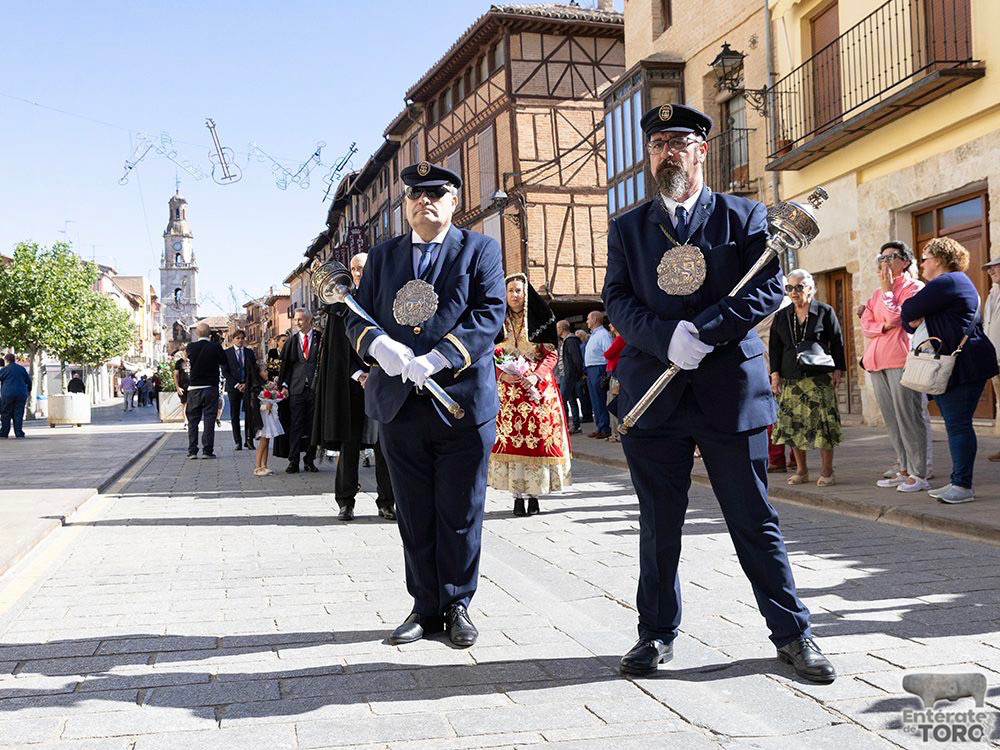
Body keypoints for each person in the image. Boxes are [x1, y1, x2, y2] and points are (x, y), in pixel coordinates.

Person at [603, 103, 835, 683]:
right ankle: (655, 634)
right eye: (658, 144)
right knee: (659, 525)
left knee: (753, 518)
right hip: (654, 393)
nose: (668, 153)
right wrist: (665, 338)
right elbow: (617, 300)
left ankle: (793, 633)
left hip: (728, 389)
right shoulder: (628, 228)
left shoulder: (745, 215)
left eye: (679, 143)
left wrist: (703, 333)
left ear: (702, 151)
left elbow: (765, 291)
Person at [344, 162, 505, 648]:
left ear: (455, 200)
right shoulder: (382, 257)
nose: (424, 201)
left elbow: (489, 312)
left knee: (461, 510)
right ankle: (424, 606)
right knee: (413, 511)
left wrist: (440, 357)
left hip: (460, 402)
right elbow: (356, 316)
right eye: (415, 194)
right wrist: (378, 345)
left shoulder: (479, 250)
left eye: (436, 193)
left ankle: (457, 604)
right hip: (401, 405)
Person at [901, 237, 999, 503]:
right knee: (956, 425)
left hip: (964, 364)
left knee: (958, 425)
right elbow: (909, 322)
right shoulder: (950, 284)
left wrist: (914, 314)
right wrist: (914, 316)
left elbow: (908, 310)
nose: (922, 264)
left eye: (925, 258)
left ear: (939, 259)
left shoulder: (948, 282)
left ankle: (963, 486)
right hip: (960, 363)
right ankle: (958, 481)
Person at [314, 252, 396, 522]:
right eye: (354, 269)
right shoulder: (339, 307)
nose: (357, 273)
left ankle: (387, 502)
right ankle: (345, 502)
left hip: (382, 382)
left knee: (384, 446)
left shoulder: (386, 300)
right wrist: (359, 374)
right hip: (351, 386)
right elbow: (338, 351)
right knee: (349, 446)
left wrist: (377, 373)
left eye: (362, 268)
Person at [488, 273, 571, 516]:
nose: (514, 295)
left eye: (518, 290)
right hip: (507, 395)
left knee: (536, 442)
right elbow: (487, 355)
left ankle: (534, 496)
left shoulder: (540, 318)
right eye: (510, 290)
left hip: (536, 392)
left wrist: (536, 376)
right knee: (511, 442)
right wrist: (500, 375)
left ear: (526, 294)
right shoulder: (495, 320)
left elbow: (551, 355)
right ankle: (516, 497)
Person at [859, 242, 930, 492]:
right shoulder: (876, 292)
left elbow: (897, 318)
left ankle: (918, 473)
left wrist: (888, 293)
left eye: (891, 257)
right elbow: (866, 325)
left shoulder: (914, 287)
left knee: (909, 417)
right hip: (876, 361)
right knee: (892, 420)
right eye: (882, 258)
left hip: (900, 359)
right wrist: (883, 326)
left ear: (906, 261)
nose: (885, 262)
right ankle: (904, 468)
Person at [770, 270, 846, 487]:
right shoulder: (782, 315)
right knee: (794, 426)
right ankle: (801, 471)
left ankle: (827, 471)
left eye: (799, 287)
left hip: (818, 376)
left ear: (811, 289)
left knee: (824, 425)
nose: (794, 292)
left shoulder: (824, 311)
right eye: (789, 288)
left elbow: (837, 341)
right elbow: (774, 347)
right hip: (791, 377)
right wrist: (775, 374)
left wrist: (839, 370)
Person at [279, 309, 321, 473]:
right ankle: (293, 461)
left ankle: (309, 460)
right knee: (295, 425)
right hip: (296, 389)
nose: (297, 323)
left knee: (312, 426)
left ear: (309, 320)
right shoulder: (292, 341)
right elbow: (286, 367)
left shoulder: (320, 339)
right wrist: (284, 386)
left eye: (300, 320)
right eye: (296, 320)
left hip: (315, 388)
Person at [185, 321, 232, 459]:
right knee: (209, 419)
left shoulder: (191, 347)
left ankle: (192, 451)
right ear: (210, 333)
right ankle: (207, 451)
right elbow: (224, 361)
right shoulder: (215, 347)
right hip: (210, 387)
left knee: (193, 421)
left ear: (197, 333)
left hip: (194, 388)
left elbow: (188, 358)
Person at [225, 330, 257, 451]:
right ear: (233, 339)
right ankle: (237, 441)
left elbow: (253, 369)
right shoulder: (227, 353)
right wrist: (237, 385)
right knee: (235, 415)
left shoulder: (249, 352)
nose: (240, 340)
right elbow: (225, 372)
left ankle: (249, 440)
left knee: (249, 414)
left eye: (242, 338)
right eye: (238, 338)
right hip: (233, 388)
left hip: (247, 387)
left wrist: (246, 384)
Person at [583, 311, 613, 439]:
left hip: (599, 368)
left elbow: (609, 352)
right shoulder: (594, 335)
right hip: (591, 369)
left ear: (594, 319)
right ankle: (600, 426)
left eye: (588, 319)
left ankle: (605, 428)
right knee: (595, 400)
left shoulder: (603, 335)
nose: (587, 321)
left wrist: (607, 372)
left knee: (600, 399)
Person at [984, 257, 1000, 462]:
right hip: (995, 359)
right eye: (990, 268)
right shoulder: (992, 294)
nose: (991, 271)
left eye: (995, 267)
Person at [556, 320, 584, 434]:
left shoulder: (570, 341)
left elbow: (576, 358)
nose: (556, 330)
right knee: (571, 401)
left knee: (562, 400)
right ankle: (575, 425)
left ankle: (565, 426)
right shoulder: (565, 341)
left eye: (557, 328)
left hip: (568, 375)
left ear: (562, 329)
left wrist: (579, 372)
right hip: (567, 374)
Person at [254, 380, 285, 476]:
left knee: (266, 441)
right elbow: (255, 406)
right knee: (263, 441)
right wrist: (265, 406)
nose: (266, 373)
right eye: (264, 372)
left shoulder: (265, 384)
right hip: (263, 418)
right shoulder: (257, 387)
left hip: (268, 417)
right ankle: (257, 467)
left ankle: (264, 465)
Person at [0, 353, 31, 439]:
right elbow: (28, 381)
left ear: (6, 360)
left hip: (8, 394)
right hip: (21, 394)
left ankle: (4, 432)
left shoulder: (5, 369)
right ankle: (19, 433)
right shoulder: (22, 369)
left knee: (6, 413)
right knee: (18, 413)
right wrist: (28, 391)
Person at [604, 323, 626, 442]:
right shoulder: (618, 339)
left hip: (616, 375)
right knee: (612, 403)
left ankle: (617, 433)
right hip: (614, 374)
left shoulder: (620, 339)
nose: (609, 325)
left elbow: (608, 354)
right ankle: (615, 433)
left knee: (613, 403)